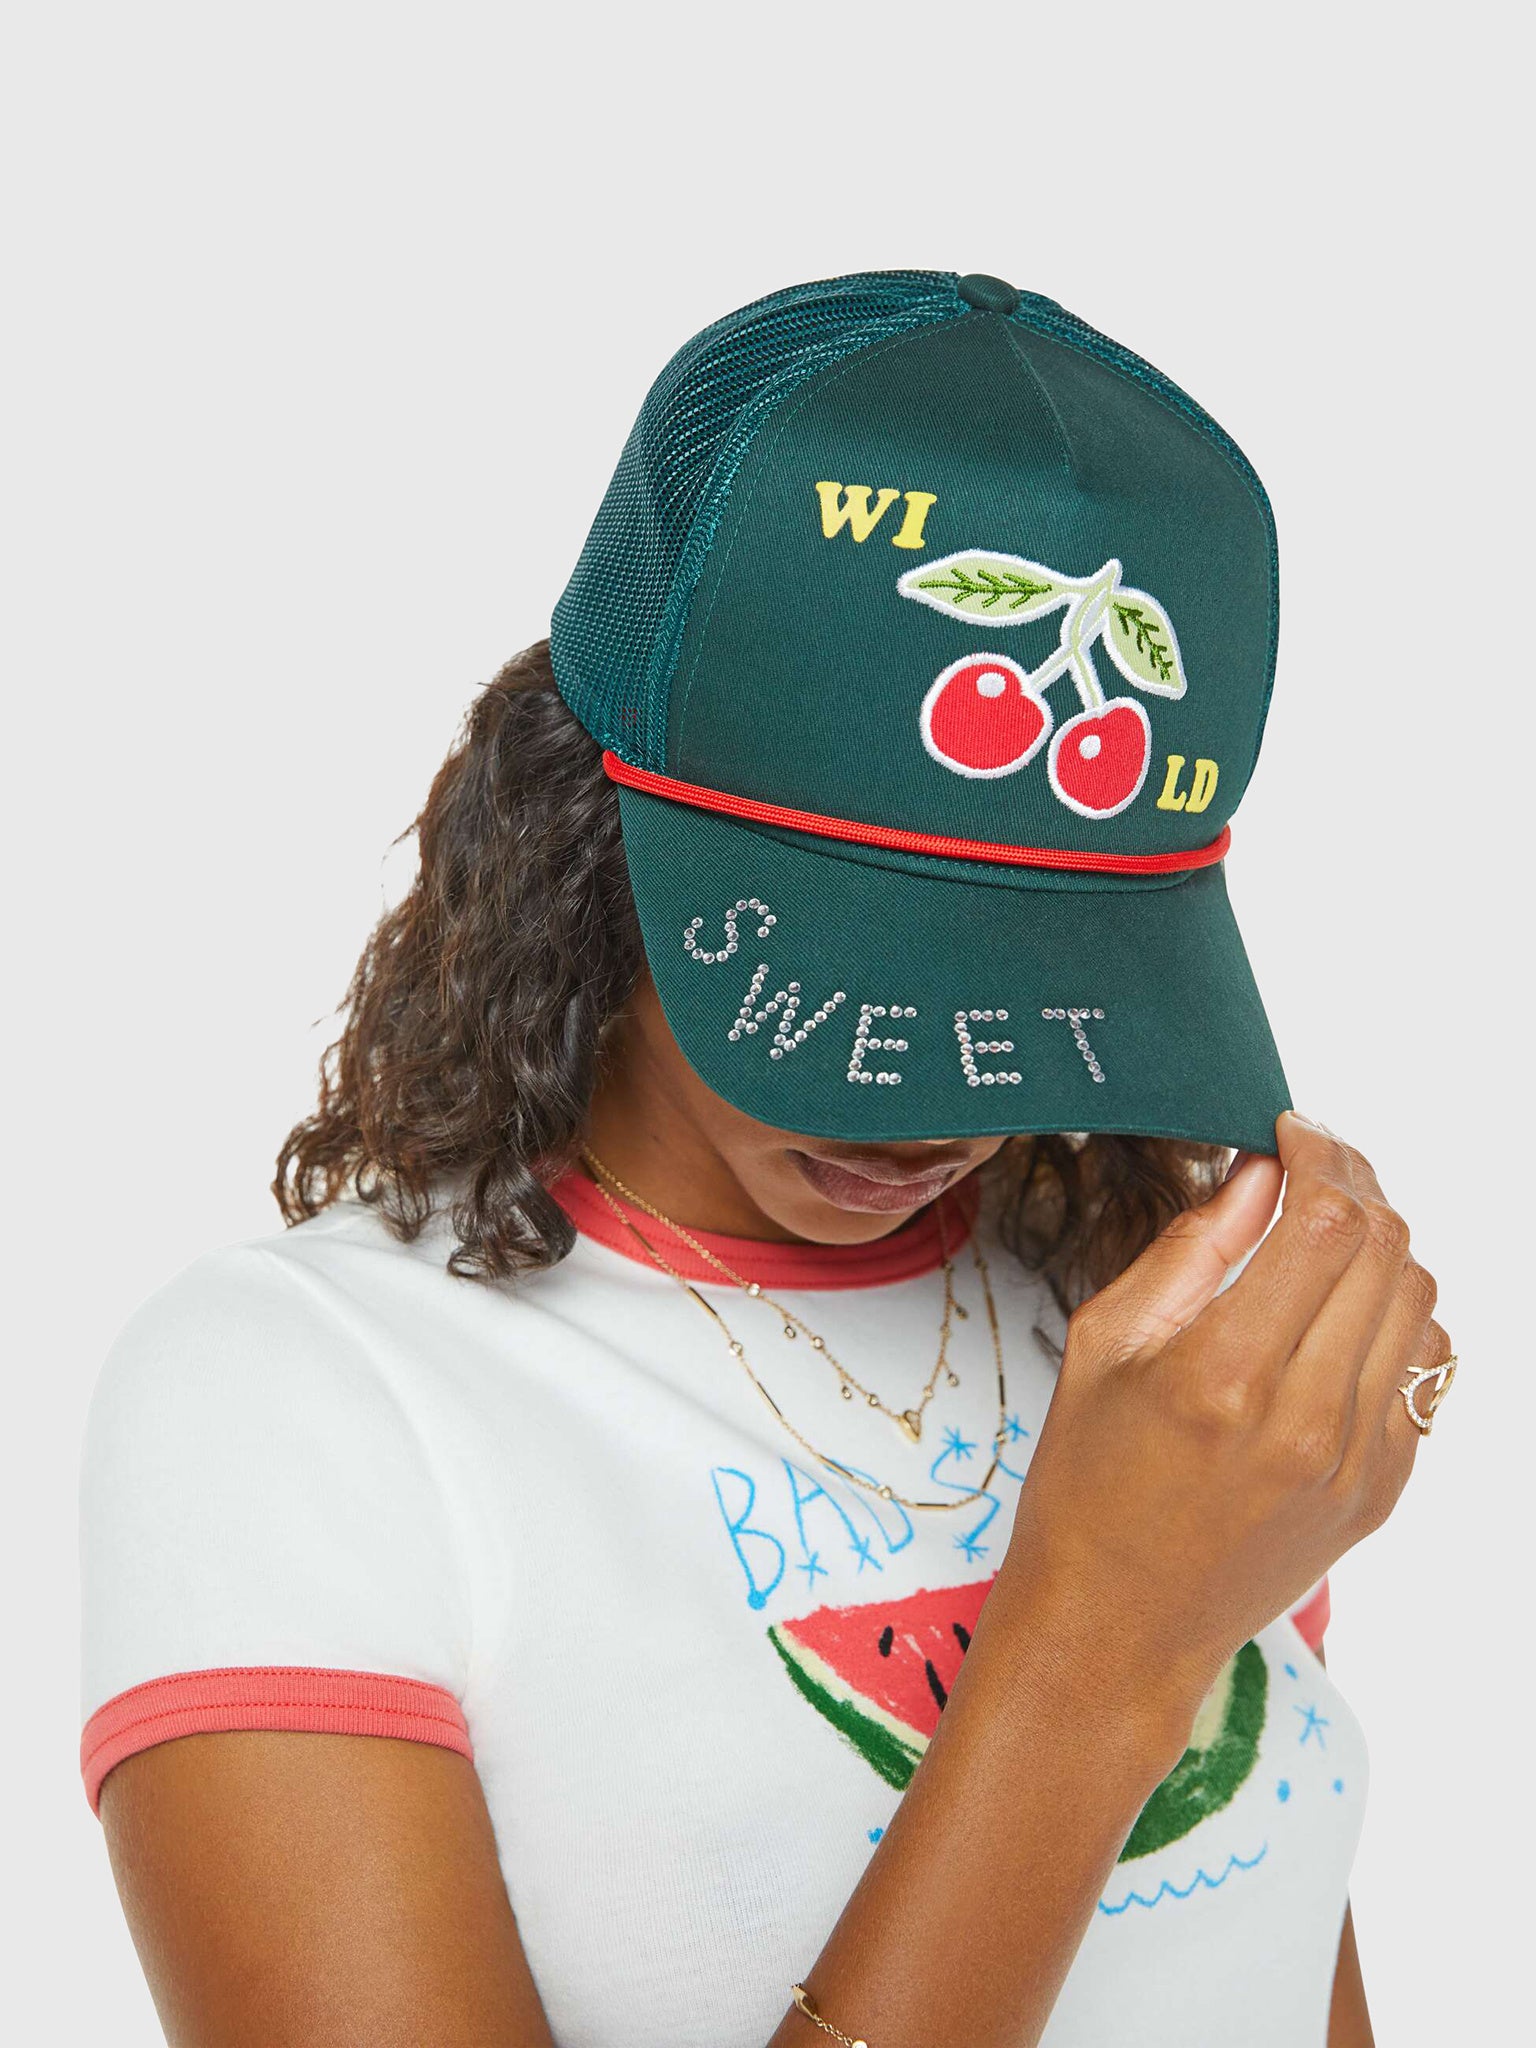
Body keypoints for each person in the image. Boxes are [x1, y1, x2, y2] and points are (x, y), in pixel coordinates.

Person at [80, 270, 1452, 2048]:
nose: (936, 1106)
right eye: (865, 959)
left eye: (1034, 984)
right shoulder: (298, 1400)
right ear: (583, 816)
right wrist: (1104, 1641)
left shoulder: (1139, 1329)